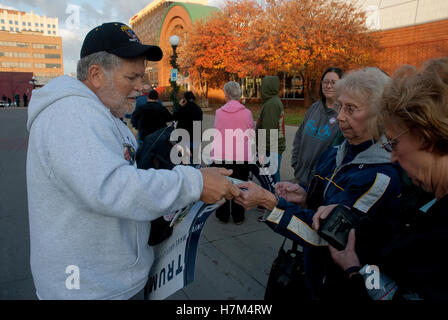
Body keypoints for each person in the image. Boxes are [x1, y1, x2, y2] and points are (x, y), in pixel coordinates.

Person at [26, 22, 240, 300]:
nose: (141, 87)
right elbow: (113, 188)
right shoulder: (71, 114)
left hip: (109, 282)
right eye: (132, 77)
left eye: (141, 77)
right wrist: (194, 183)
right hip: (88, 290)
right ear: (96, 74)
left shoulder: (102, 113)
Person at [235, 67, 402, 299]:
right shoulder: (333, 154)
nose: (340, 116)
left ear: (379, 115)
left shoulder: (379, 177)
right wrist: (305, 197)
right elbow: (324, 206)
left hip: (342, 287)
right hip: (312, 274)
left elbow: (325, 237)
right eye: (340, 106)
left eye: (351, 109)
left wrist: (268, 201)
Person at [329, 58, 448, 300]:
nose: (392, 157)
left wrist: (355, 271)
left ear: (429, 136)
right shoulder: (426, 200)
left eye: (394, 143)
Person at [290, 67, 344, 187]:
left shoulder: (343, 115)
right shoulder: (314, 108)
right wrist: (296, 164)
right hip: (301, 176)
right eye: (325, 82)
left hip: (322, 182)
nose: (328, 86)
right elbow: (299, 137)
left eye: (333, 82)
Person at [212, 81, 255, 224]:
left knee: (223, 186)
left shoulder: (219, 113)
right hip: (241, 156)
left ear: (227, 95)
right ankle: (238, 216)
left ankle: (223, 215)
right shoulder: (247, 113)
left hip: (222, 155)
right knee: (240, 186)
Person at [256, 76, 285, 183]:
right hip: (273, 146)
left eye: (264, 86)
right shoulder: (272, 101)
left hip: (271, 148)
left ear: (268, 87)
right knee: (272, 175)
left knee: (270, 179)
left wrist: (262, 152)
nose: (261, 88)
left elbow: (269, 131)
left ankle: (275, 198)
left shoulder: (271, 104)